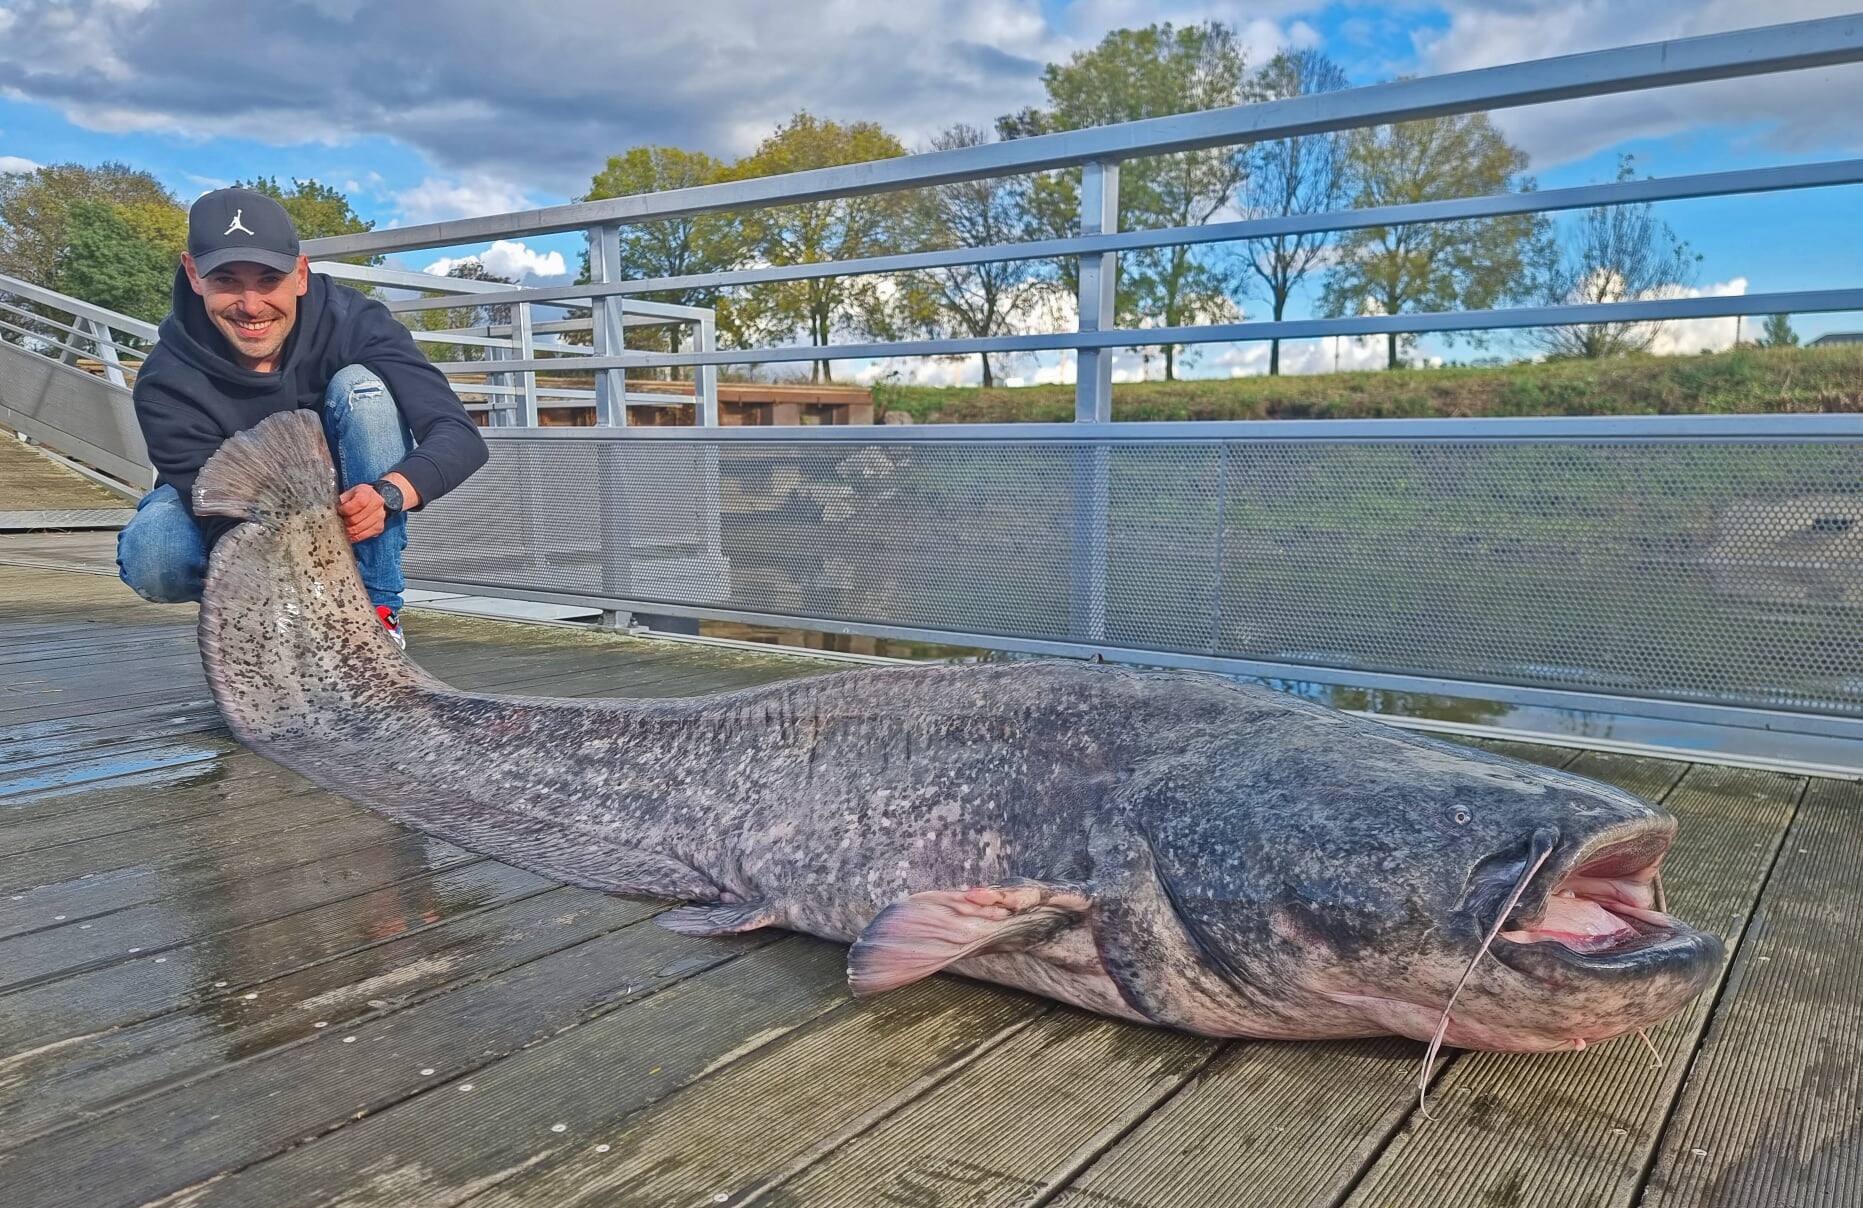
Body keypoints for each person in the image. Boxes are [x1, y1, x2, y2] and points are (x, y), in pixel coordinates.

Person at [117, 186, 488, 648]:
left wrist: (389, 493)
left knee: (364, 388)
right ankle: (262, 623)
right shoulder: (165, 379)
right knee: (156, 553)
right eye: (227, 280)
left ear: (301, 273)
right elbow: (219, 517)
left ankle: (377, 612)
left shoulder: (356, 321)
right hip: (234, 507)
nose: (251, 306)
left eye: (269, 279)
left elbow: (458, 434)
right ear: (193, 274)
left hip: (346, 491)